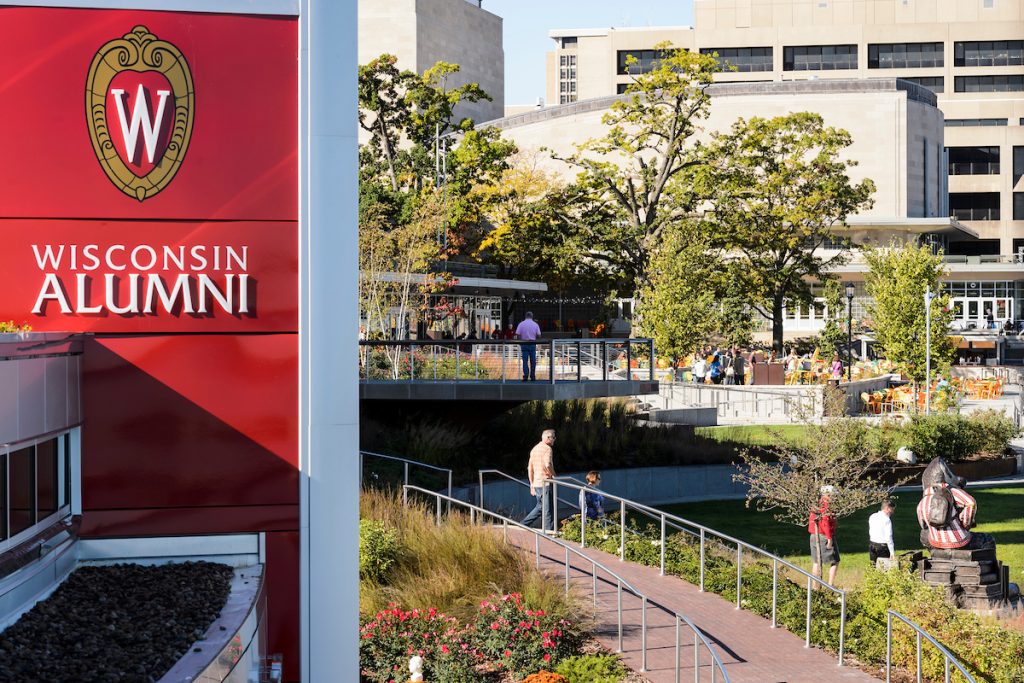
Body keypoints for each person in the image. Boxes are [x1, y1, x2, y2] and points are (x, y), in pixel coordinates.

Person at [520, 429, 556, 532]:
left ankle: (523, 524)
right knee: (548, 509)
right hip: (546, 483)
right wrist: (554, 475)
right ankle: (549, 532)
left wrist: (531, 484)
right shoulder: (547, 449)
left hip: (537, 483)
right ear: (548, 438)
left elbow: (529, 468)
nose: (554, 440)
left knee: (541, 507)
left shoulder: (534, 449)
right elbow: (547, 464)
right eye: (553, 437)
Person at [809, 485, 840, 585]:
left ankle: (815, 587)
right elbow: (825, 522)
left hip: (814, 534)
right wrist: (829, 538)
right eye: (833, 495)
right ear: (828, 494)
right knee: (835, 561)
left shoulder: (816, 504)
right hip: (823, 536)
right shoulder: (826, 505)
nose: (834, 498)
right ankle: (830, 586)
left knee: (816, 562)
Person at [868, 499, 896, 566]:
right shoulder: (886, 519)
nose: (893, 512)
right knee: (884, 568)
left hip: (872, 545)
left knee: (873, 567)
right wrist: (892, 553)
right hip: (882, 547)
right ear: (887, 508)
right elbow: (888, 537)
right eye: (892, 509)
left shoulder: (872, 516)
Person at [515, 312, 541, 381]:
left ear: (525, 316)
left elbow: (517, 334)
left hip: (524, 343)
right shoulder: (535, 324)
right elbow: (539, 335)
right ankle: (533, 375)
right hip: (532, 344)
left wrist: (520, 341)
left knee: (525, 360)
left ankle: (526, 375)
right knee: (533, 361)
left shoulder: (521, 324)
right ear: (532, 317)